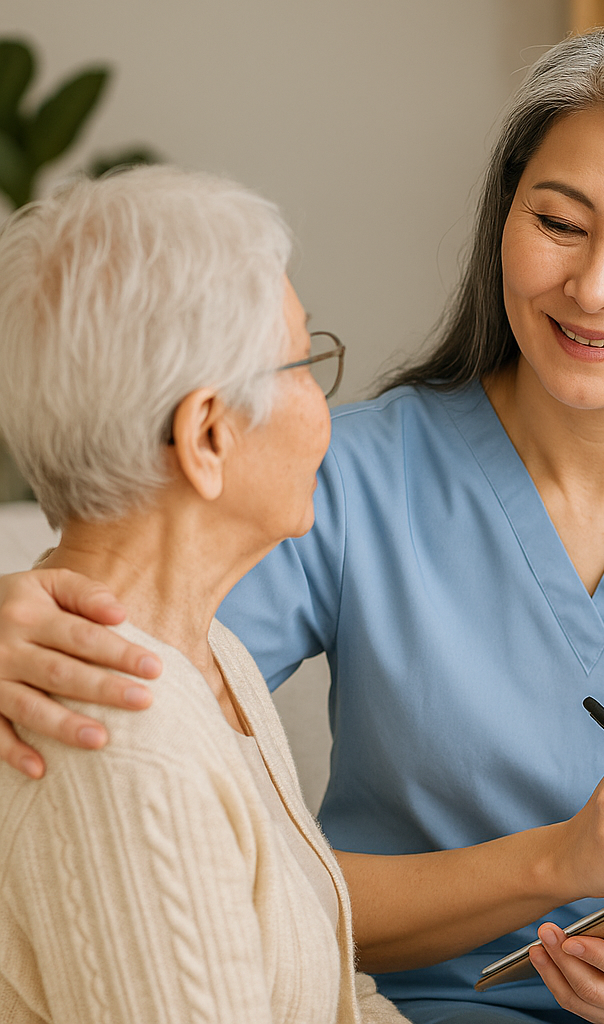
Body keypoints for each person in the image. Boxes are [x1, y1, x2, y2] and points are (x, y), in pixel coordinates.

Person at [0, 19, 604, 1024]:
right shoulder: (341, 473)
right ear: (504, 216)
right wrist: (19, 614)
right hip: (448, 995)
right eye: (557, 222)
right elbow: (136, 655)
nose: (592, 287)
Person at [0, 166, 406, 1024]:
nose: (324, 408)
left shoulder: (207, 655)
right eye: (304, 363)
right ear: (208, 435)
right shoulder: (118, 743)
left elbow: (334, 992)